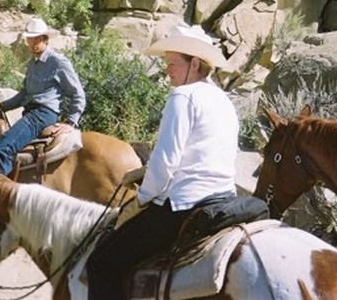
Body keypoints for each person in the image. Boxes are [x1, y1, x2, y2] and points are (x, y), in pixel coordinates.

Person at [86, 24, 239, 300]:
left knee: (101, 263)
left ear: (194, 63)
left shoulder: (183, 97)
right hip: (224, 199)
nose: (166, 70)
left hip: (185, 203)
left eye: (172, 64)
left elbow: (167, 163)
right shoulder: (223, 100)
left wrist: (142, 200)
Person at [0, 17, 86, 177]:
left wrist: (71, 122)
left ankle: (0, 194)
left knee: (1, 147)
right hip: (31, 113)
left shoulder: (58, 62)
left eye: (36, 38)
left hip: (43, 114)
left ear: (45, 39)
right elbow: (24, 94)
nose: (32, 43)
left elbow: (77, 93)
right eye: (29, 39)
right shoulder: (32, 64)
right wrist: (2, 106)